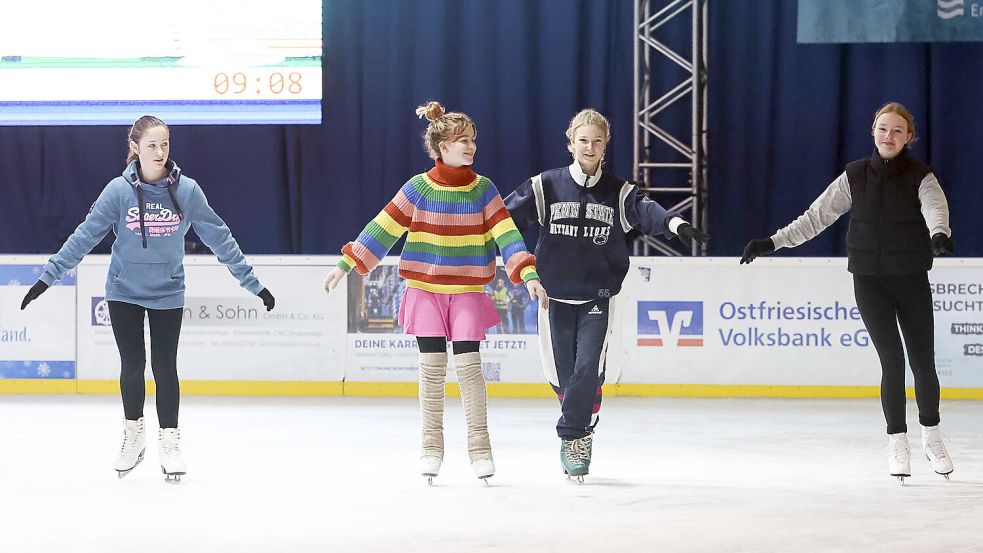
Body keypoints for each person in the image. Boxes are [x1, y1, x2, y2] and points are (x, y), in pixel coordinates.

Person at [20, 115, 275, 483]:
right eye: (152, 145)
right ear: (135, 148)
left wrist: (253, 284)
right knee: (132, 365)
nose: (160, 152)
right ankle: (133, 434)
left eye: (165, 144)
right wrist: (48, 277)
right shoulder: (118, 192)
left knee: (165, 366)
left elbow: (220, 238)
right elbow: (84, 236)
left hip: (168, 291)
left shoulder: (187, 192)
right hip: (123, 291)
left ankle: (169, 440)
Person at [322, 101, 548, 484]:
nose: (470, 146)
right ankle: (431, 447)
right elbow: (383, 227)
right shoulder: (417, 188)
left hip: (467, 293)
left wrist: (526, 272)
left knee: (470, 370)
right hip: (424, 292)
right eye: (462, 140)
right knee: (431, 372)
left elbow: (507, 234)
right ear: (442, 147)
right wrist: (347, 263)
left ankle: (480, 448)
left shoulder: (484, 190)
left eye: (473, 140)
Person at [740, 101, 954, 483]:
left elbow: (935, 209)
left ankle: (932, 435)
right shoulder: (854, 176)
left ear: (909, 138)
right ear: (873, 131)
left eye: (898, 131)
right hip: (869, 281)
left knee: (923, 362)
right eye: (883, 129)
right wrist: (772, 242)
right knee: (892, 361)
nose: (889, 136)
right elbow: (815, 218)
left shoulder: (921, 176)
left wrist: (939, 235)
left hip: (910, 279)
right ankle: (897, 441)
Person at [504, 108, 709, 481]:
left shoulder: (619, 192)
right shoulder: (545, 185)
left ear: (605, 145)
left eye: (597, 140)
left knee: (587, 369)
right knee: (560, 375)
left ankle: (575, 437)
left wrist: (675, 224)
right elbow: (504, 220)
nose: (590, 146)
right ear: (571, 144)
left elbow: (647, 211)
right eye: (583, 140)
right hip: (553, 296)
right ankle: (583, 411)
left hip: (598, 296)